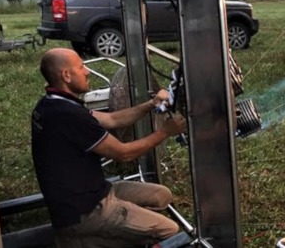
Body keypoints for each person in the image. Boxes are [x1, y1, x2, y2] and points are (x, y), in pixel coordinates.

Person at [31, 47, 188, 247]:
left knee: (161, 195)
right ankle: (85, 237)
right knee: (169, 230)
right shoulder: (69, 116)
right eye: (81, 67)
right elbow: (124, 154)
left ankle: (115, 231)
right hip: (84, 211)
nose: (87, 72)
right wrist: (164, 132)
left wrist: (150, 104)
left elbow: (113, 119)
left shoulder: (51, 104)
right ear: (66, 75)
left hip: (94, 191)